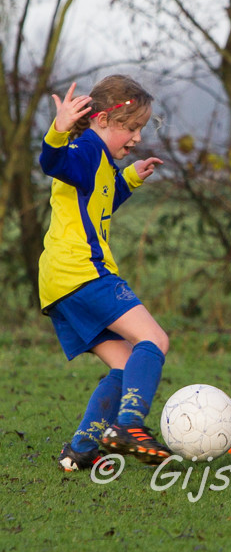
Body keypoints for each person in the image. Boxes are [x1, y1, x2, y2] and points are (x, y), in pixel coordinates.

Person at [42, 76, 173, 471]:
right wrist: (58, 129)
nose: (136, 138)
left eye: (140, 128)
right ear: (101, 120)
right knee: (154, 339)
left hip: (60, 283)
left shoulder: (98, 159)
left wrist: (130, 177)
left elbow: (100, 199)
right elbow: (53, 162)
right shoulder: (84, 150)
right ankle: (129, 426)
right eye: (131, 127)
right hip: (82, 272)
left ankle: (81, 449)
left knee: (126, 362)